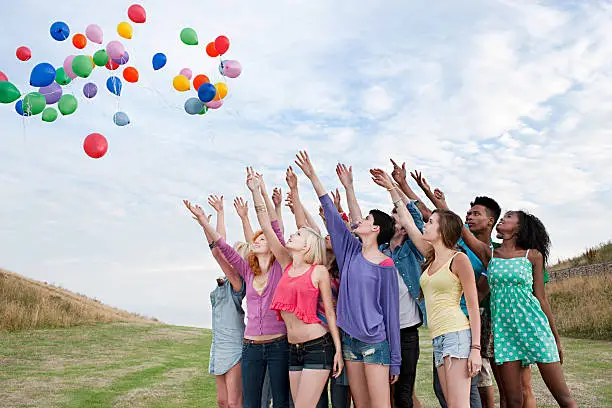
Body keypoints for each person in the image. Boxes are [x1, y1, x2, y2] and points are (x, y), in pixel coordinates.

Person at [295, 151, 400, 408]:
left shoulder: (386, 265)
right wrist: (312, 176)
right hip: (350, 341)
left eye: (366, 219)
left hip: (375, 343)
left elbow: (391, 313)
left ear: (375, 229)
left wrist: (395, 359)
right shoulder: (349, 252)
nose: (360, 221)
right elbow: (331, 213)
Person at [370, 168, 482, 408]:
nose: (425, 225)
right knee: (449, 401)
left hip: (457, 336)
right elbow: (408, 221)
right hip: (438, 337)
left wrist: (475, 349)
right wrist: (391, 188)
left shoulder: (458, 259)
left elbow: (473, 307)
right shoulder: (430, 256)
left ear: (442, 230)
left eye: (430, 222)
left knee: (459, 404)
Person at [455, 206, 578, 408]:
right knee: (513, 399)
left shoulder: (533, 256)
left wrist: (555, 338)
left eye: (508, 217)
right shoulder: (490, 255)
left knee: (564, 398)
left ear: (519, 228)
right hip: (505, 332)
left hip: (535, 328)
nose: (502, 220)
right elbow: (461, 228)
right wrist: (435, 198)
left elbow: (541, 298)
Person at [245, 167, 343, 408]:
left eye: (298, 235)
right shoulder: (286, 265)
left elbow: (330, 314)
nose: (292, 235)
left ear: (308, 245)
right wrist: (256, 191)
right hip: (292, 348)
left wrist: (338, 351)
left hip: (317, 346)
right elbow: (265, 225)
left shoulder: (318, 271)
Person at [184, 191, 290, 408]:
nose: (257, 242)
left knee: (279, 401)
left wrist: (258, 192)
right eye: (256, 240)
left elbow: (275, 231)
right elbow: (222, 248)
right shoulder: (247, 272)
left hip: (278, 345)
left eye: (263, 239)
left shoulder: (279, 268)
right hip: (250, 346)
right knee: (250, 403)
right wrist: (205, 221)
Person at [185, 195, 246, 408]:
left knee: (234, 401)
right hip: (218, 345)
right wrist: (218, 213)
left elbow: (218, 251)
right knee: (222, 402)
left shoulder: (238, 283)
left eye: (236, 251)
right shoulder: (226, 283)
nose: (231, 252)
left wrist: (206, 223)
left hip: (234, 345)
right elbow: (220, 248)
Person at [378, 181, 425, 408]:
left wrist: (392, 188)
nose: (399, 221)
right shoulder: (380, 252)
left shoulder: (413, 249)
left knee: (404, 391)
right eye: (396, 217)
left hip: (407, 331)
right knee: (383, 390)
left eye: (400, 217)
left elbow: (415, 217)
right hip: (382, 331)